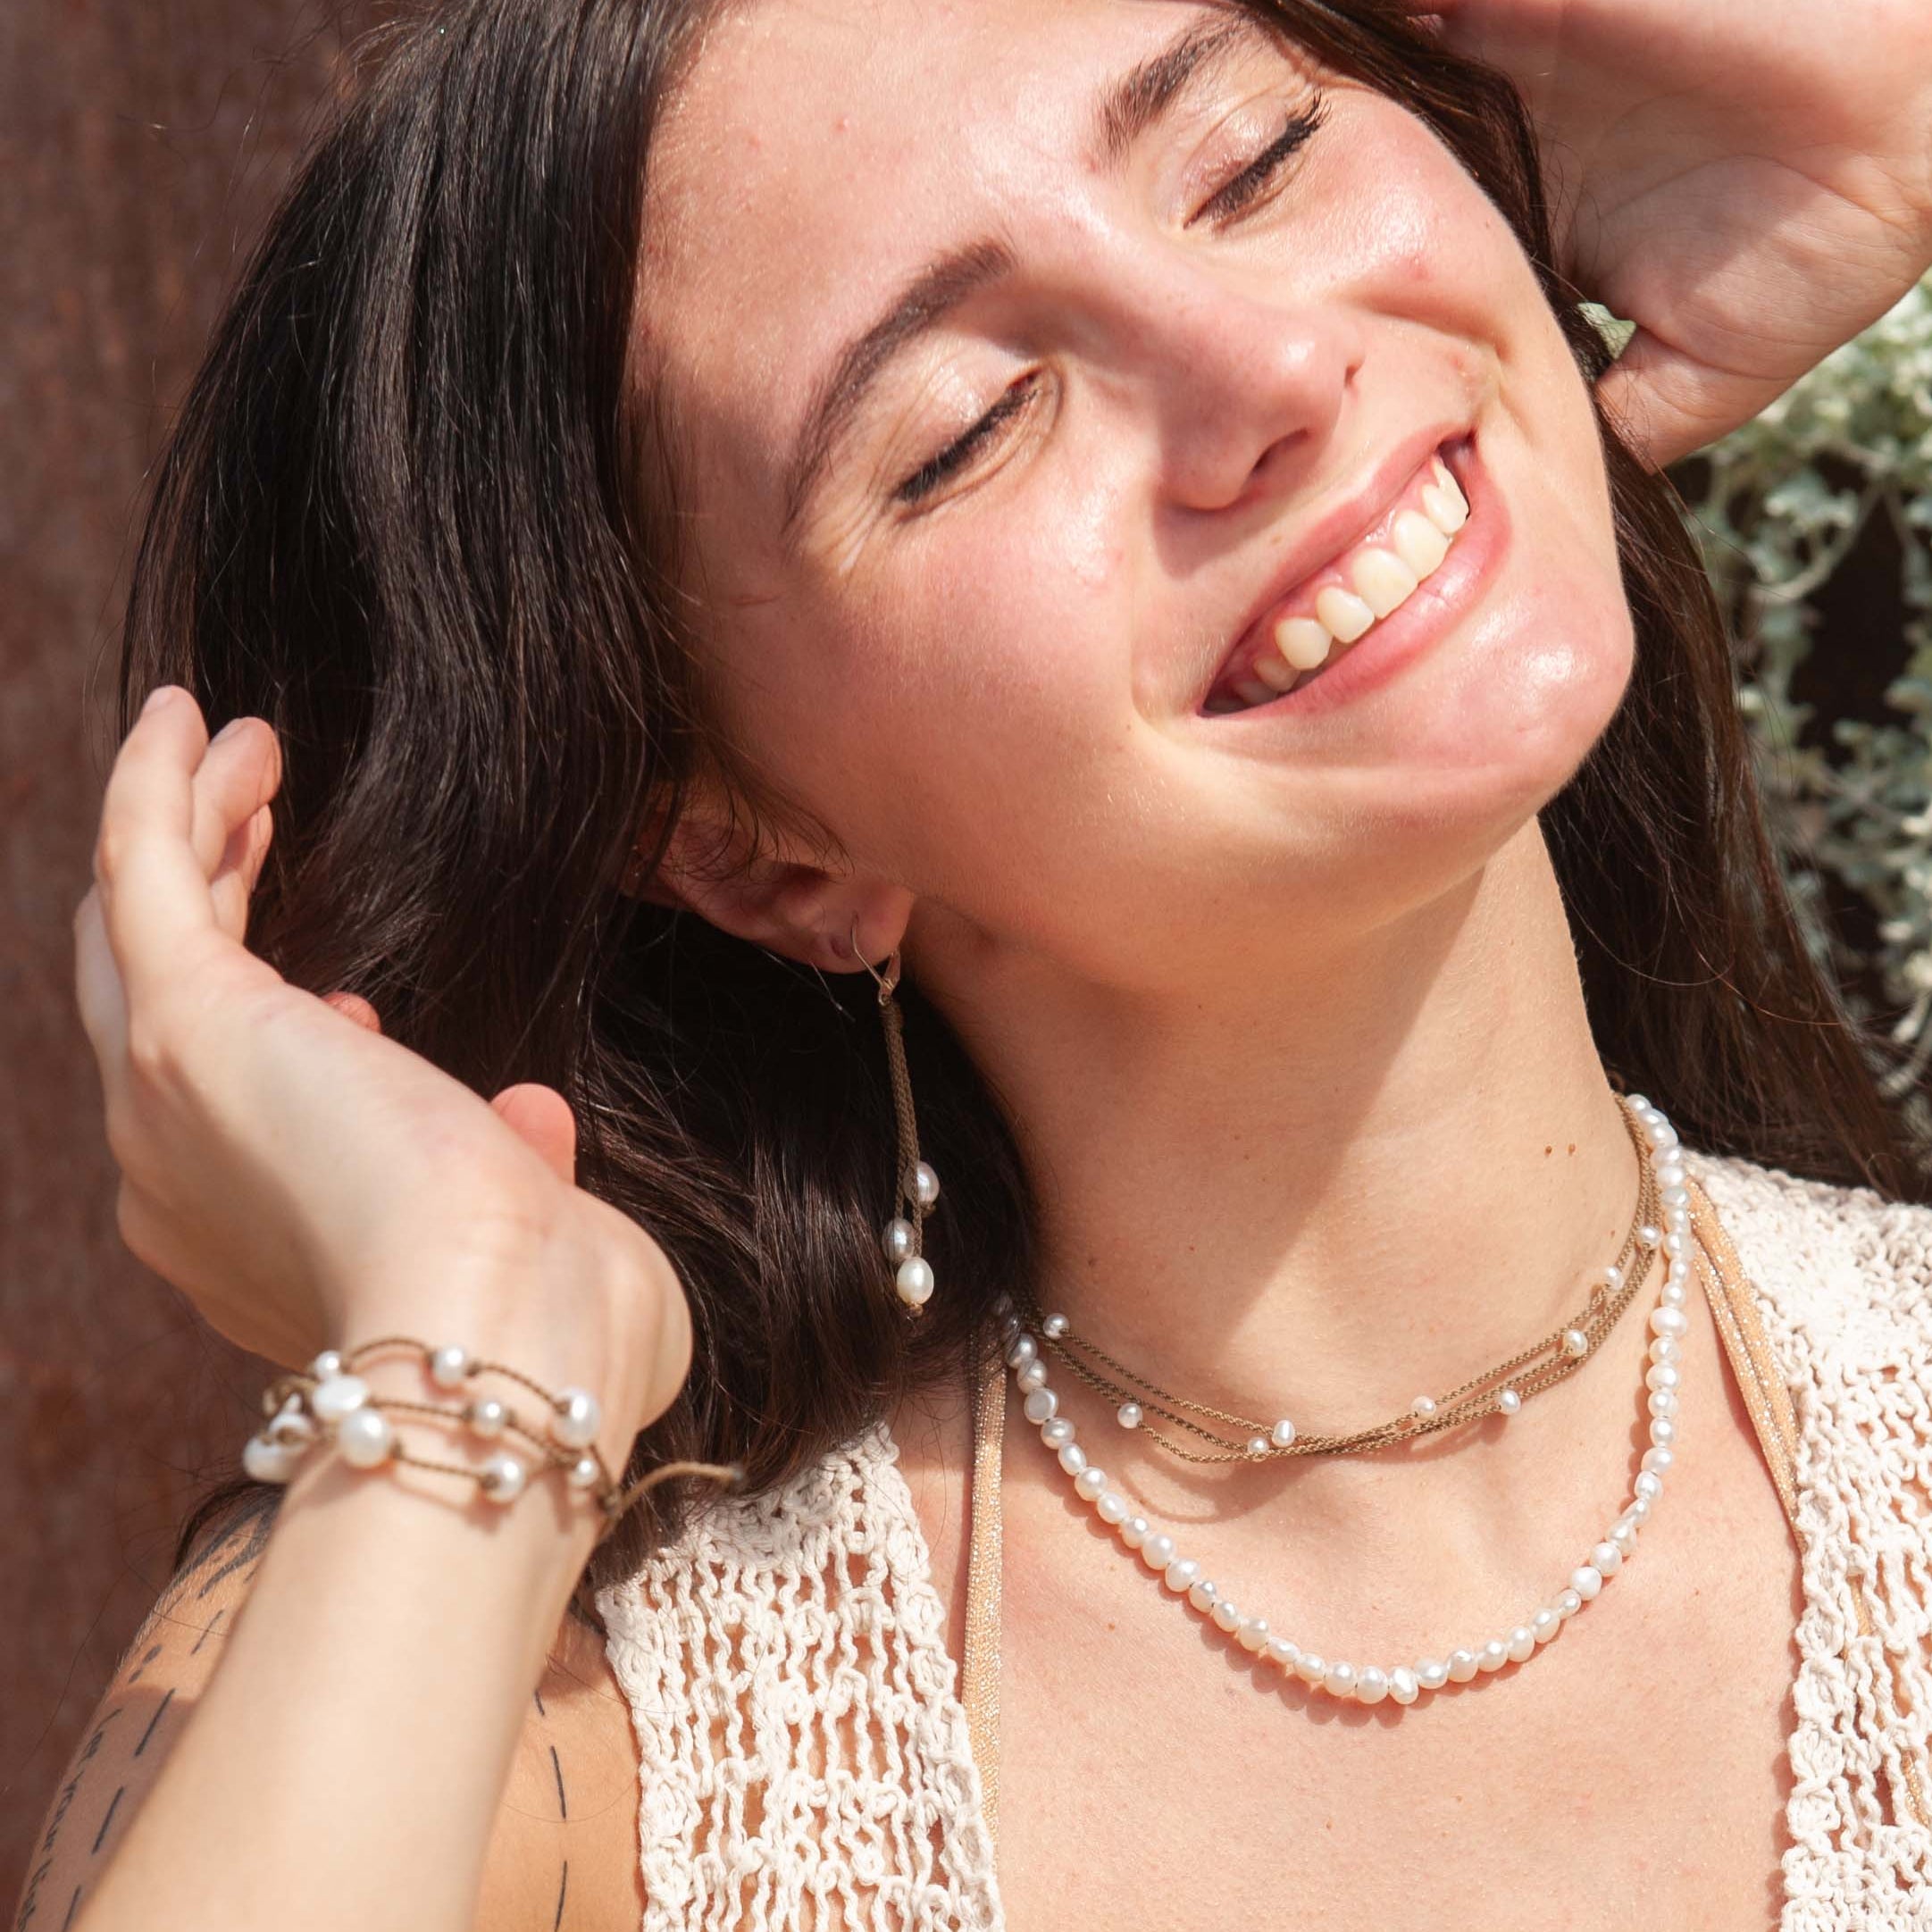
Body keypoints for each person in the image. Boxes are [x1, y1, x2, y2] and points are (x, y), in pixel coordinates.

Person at [21, 0, 1932, 1927]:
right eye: (966, 427)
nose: (1266, 364)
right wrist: (476, 1322)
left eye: (1253, 160)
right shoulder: (517, 1681)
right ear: (754, 850)